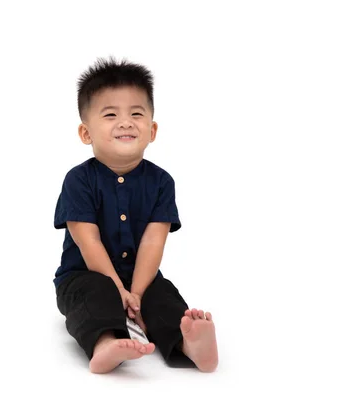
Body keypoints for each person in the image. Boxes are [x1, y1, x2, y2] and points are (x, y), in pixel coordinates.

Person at [53, 57, 218, 374]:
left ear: (152, 129)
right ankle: (104, 343)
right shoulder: (78, 180)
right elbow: (89, 244)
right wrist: (118, 290)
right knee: (95, 294)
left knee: (163, 295)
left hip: (140, 279)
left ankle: (189, 345)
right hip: (85, 275)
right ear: (86, 133)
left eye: (137, 114)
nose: (126, 122)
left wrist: (137, 294)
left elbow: (154, 243)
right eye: (111, 114)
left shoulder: (161, 182)